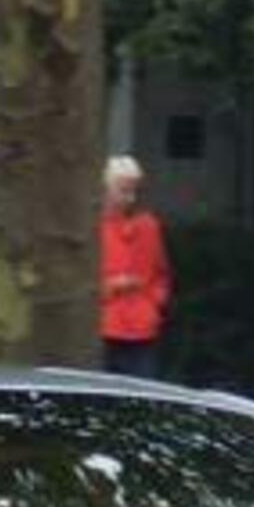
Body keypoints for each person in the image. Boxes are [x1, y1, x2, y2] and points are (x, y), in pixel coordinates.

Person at [99, 155, 171, 379]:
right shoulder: (93, 227)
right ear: (105, 190)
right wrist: (111, 287)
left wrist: (154, 303)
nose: (130, 198)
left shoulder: (149, 226)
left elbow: (161, 273)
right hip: (104, 326)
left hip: (142, 327)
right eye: (123, 191)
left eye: (134, 191)